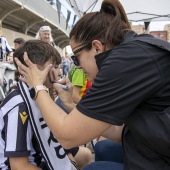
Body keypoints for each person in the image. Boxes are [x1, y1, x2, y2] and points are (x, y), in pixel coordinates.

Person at [14, 0, 170, 169]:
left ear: (96, 47)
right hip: (154, 148)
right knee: (103, 148)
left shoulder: (125, 61)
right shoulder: (134, 50)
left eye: (76, 57)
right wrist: (69, 103)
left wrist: (37, 86)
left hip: (158, 158)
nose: (78, 66)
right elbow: (117, 133)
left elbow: (68, 136)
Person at [0, 40, 91, 170]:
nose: (60, 73)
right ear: (36, 69)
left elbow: (54, 133)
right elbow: (18, 165)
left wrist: (69, 156)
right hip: (23, 160)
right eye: (55, 66)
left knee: (85, 155)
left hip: (37, 147)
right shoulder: (19, 106)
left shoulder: (39, 92)